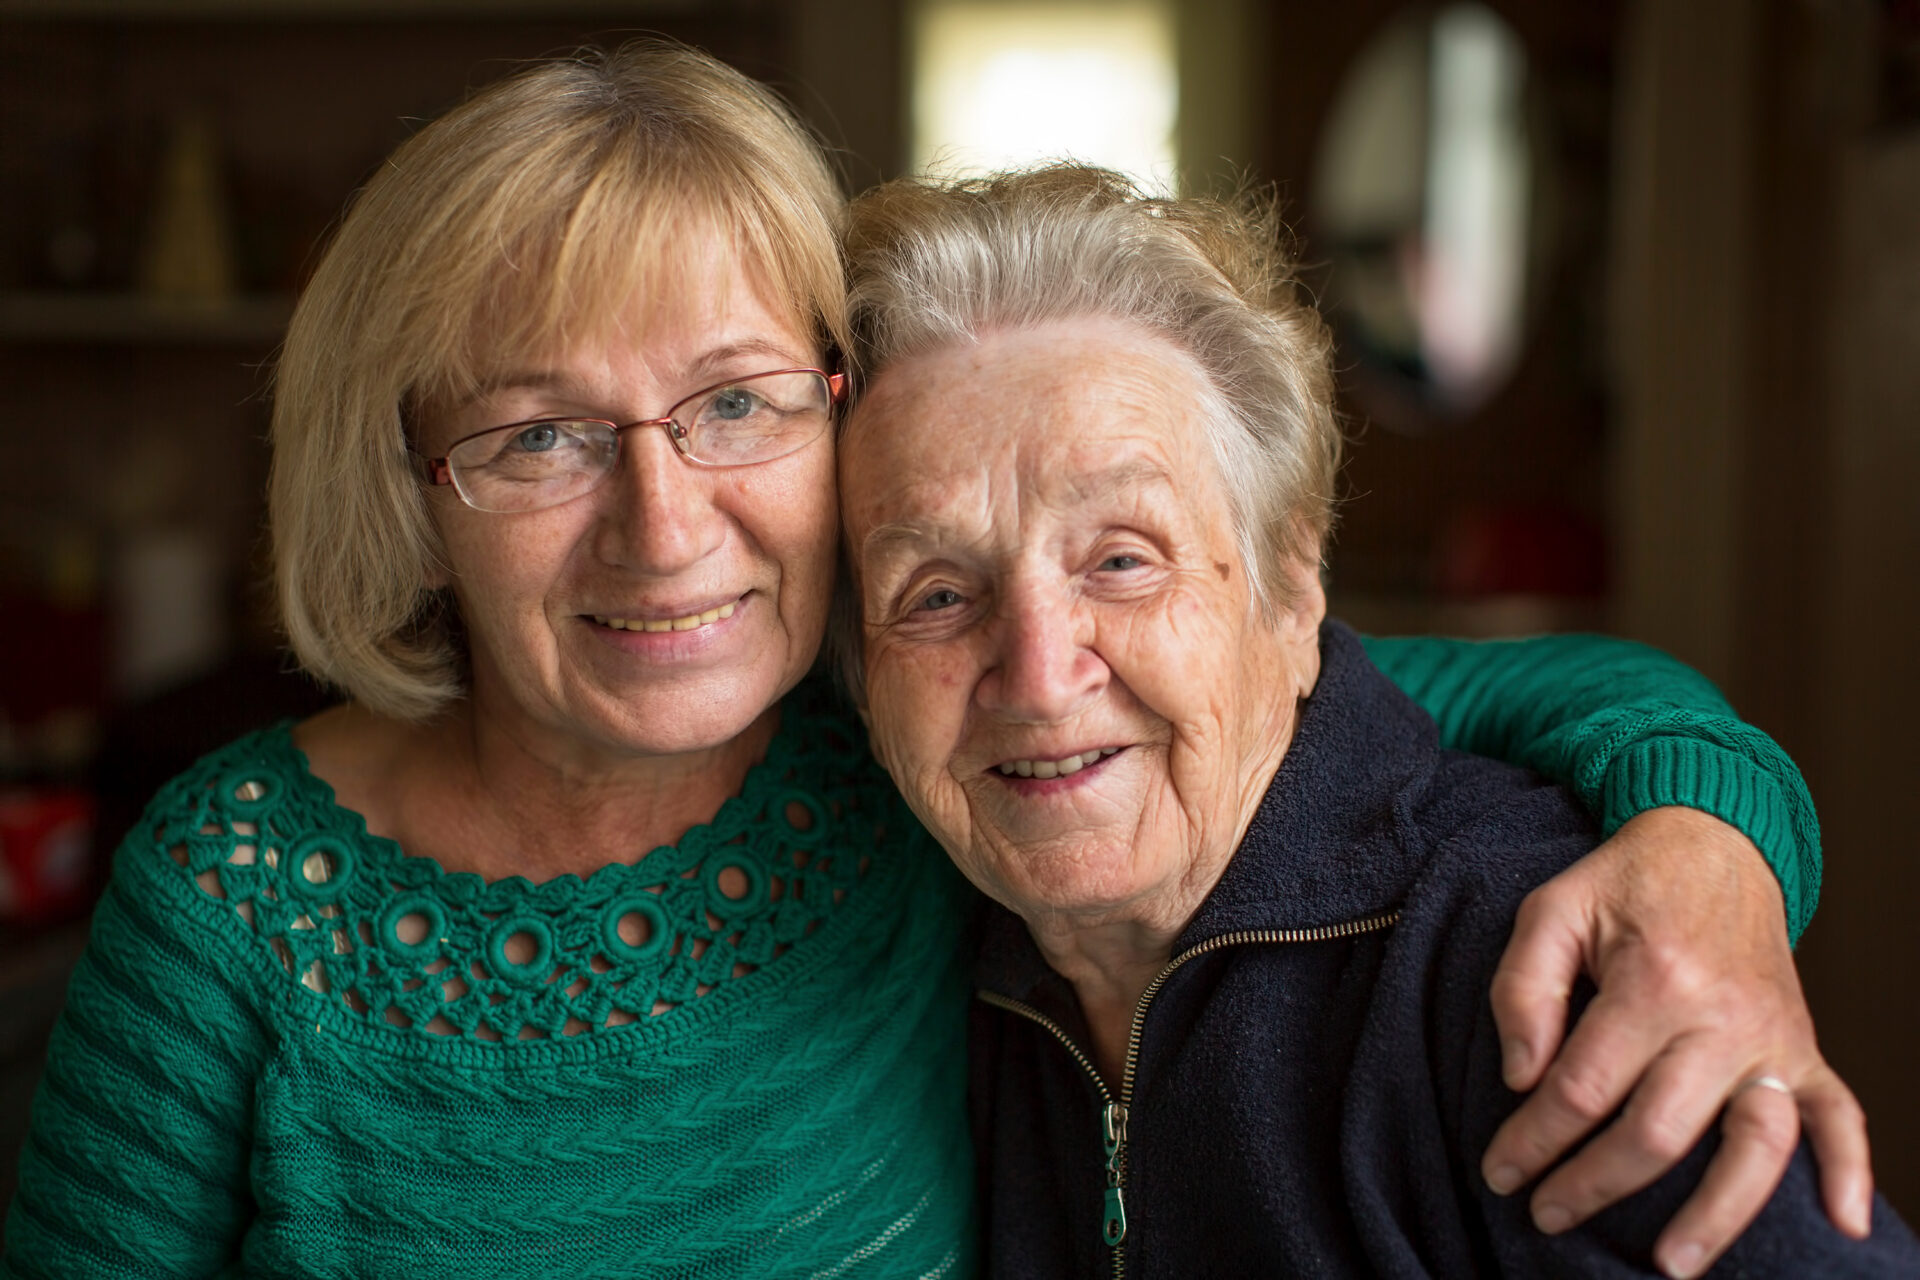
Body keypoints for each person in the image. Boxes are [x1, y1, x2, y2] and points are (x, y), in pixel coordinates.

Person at [0, 43, 1863, 1280]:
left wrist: (1716, 853)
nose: (662, 531)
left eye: (733, 405)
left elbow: (1464, 698)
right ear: (410, 487)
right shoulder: (234, 902)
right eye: (538, 438)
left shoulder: (905, 741)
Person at [832, 164, 1914, 1278]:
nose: (1041, 677)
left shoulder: (1516, 962)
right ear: (862, 677)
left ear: (1292, 588)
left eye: (1121, 559)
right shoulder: (911, 949)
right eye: (937, 596)